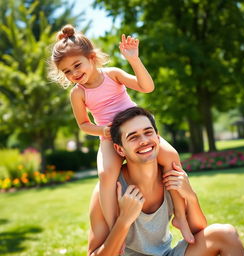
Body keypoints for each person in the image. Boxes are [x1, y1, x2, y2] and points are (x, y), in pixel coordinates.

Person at [49, 24, 193, 243]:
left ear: (92, 57)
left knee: (171, 157)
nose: (74, 73)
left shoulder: (113, 75)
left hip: (136, 130)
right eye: (67, 71)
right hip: (109, 136)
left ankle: (181, 217)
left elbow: (146, 87)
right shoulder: (78, 94)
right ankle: (115, 227)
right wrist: (102, 131)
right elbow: (84, 124)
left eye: (77, 65)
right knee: (106, 175)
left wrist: (134, 59)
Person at [88, 106, 244, 256]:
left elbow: (197, 232)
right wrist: (123, 220)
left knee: (225, 233)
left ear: (157, 137)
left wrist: (190, 196)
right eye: (133, 137)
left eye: (148, 132)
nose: (144, 141)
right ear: (120, 149)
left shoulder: (170, 176)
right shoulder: (108, 191)